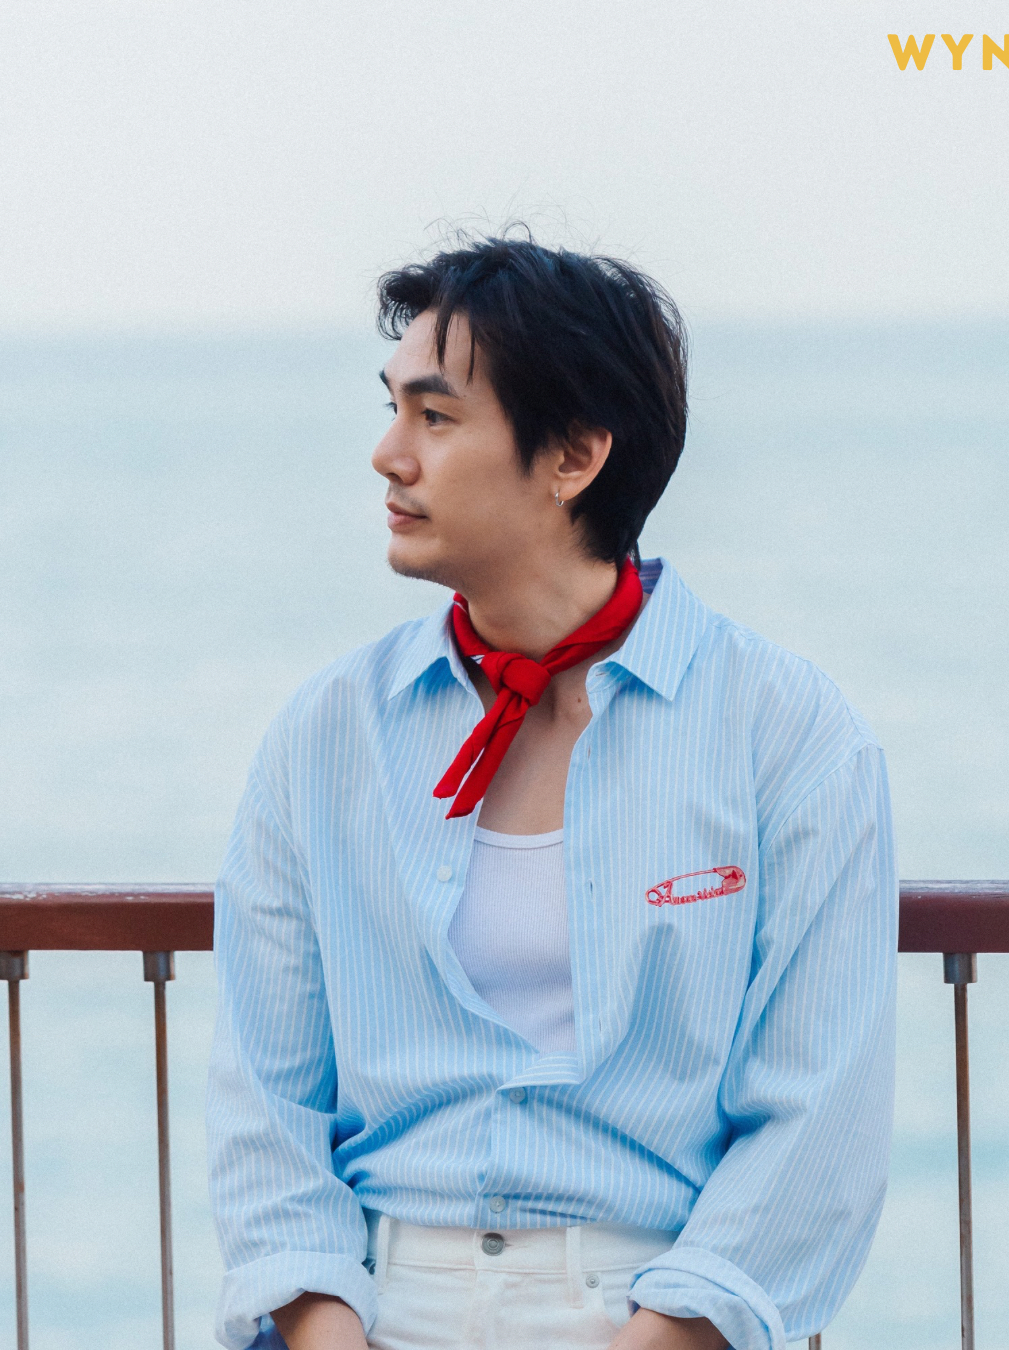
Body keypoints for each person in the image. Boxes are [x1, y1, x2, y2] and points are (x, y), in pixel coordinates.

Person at [207, 235, 897, 1350]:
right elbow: (263, 1100)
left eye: (435, 416)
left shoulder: (787, 734)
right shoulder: (327, 734)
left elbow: (820, 1116)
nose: (388, 455)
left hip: (650, 1307)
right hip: (370, 1302)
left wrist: (665, 1331)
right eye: (393, 409)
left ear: (573, 455)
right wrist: (328, 1330)